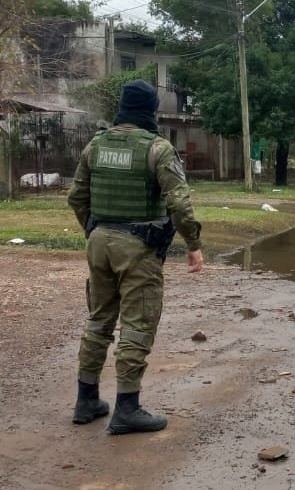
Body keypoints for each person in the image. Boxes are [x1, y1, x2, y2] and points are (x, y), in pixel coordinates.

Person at [67, 79, 204, 434]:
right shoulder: (157, 149)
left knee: (98, 319)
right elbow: (178, 202)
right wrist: (193, 244)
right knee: (137, 324)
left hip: (98, 241)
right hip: (137, 246)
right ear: (151, 109)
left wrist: (96, 232)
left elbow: (76, 197)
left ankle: (86, 400)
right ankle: (127, 407)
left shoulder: (96, 145)